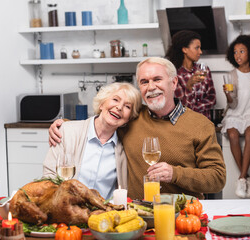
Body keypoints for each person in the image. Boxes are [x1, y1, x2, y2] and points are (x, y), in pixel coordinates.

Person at [49, 57, 226, 200]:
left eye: (157, 79)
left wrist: (175, 173)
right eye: (144, 81)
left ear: (173, 83)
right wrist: (66, 126)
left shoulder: (200, 125)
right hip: (135, 215)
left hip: (182, 214)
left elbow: (217, 178)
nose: (151, 87)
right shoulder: (131, 117)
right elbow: (105, 120)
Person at [43, 82, 142, 200]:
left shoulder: (125, 147)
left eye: (127, 106)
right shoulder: (67, 131)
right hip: (66, 208)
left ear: (128, 119)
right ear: (101, 104)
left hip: (103, 213)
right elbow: (49, 175)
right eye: (115, 99)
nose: (119, 107)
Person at [221, 34, 250, 199]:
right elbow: (232, 104)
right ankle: (245, 177)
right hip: (235, 112)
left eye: (242, 51)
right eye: (235, 52)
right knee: (233, 134)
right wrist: (227, 95)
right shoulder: (231, 75)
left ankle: (241, 177)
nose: (238, 55)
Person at [165, 30, 216, 120]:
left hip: (205, 122)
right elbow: (182, 107)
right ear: (184, 49)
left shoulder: (204, 70)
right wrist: (189, 86)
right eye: (197, 48)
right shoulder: (174, 74)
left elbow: (212, 99)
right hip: (185, 124)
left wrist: (194, 109)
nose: (200, 52)